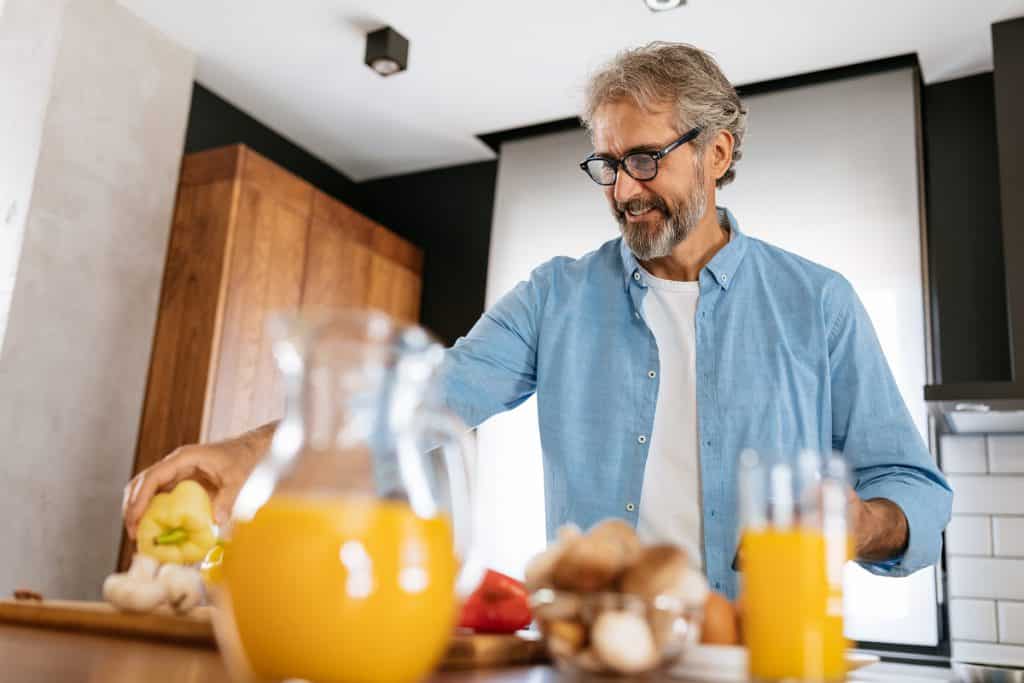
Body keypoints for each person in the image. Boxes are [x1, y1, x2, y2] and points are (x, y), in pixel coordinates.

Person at [124, 42, 952, 598]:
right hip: (593, 655)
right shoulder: (557, 297)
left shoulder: (820, 303)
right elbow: (413, 403)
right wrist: (242, 456)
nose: (624, 190)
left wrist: (861, 523)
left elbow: (915, 489)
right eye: (607, 163)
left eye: (645, 159)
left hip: (763, 658)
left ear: (718, 154)